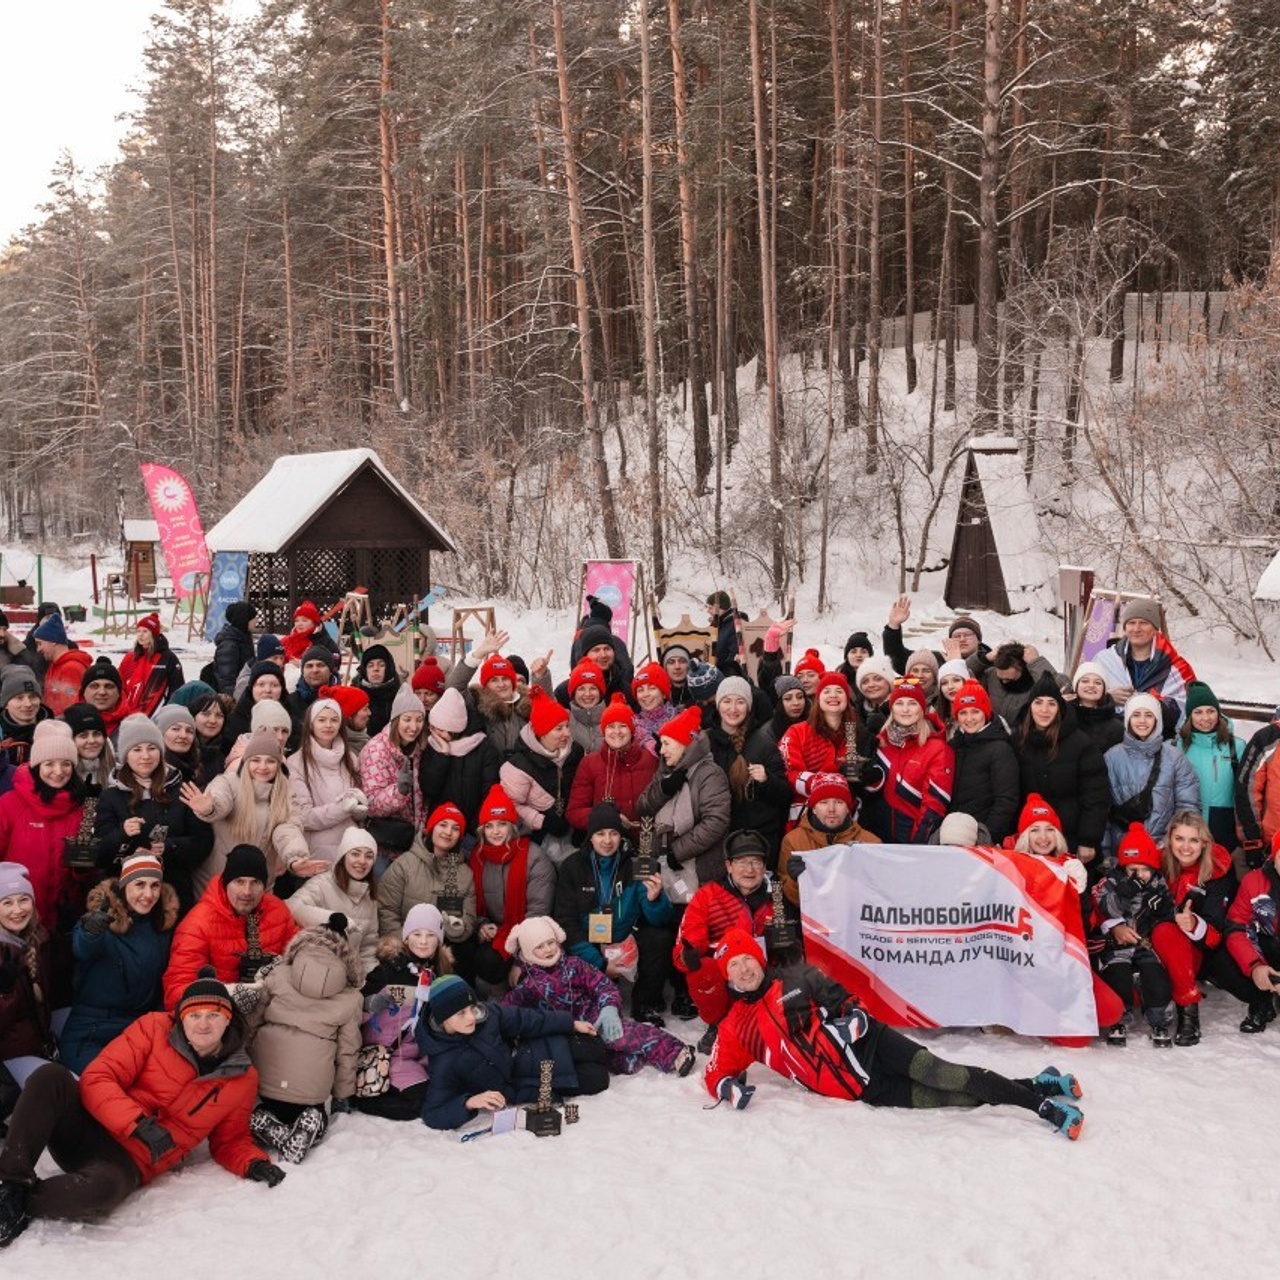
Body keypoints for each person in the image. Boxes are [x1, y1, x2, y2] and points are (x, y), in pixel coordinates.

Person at [703, 929, 1084, 1140]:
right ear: (728, 977)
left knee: (948, 1074)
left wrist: (853, 1023)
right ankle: (1037, 1082)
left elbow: (849, 1003)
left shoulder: (797, 978)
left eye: (746, 958)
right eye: (732, 965)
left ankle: (1045, 1108)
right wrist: (726, 1088)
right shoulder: (735, 1026)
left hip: (873, 1047)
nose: (742, 969)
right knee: (954, 1098)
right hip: (861, 1088)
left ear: (759, 956)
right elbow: (717, 1070)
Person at [0, 965, 283, 1247]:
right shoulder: (153, 1028)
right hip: (86, 1125)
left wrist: (253, 1163)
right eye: (194, 1015)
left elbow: (230, 1140)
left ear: (228, 1019)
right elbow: (99, 1076)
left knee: (103, 1192)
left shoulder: (242, 1077)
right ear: (182, 1017)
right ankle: (11, 1182)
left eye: (213, 1015)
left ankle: (17, 1202)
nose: (203, 1024)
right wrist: (137, 1123)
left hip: (123, 1163)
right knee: (50, 1076)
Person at [505, 916, 693, 1078]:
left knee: (627, 1035)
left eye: (550, 942)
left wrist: (608, 1008)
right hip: (567, 1033)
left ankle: (675, 1052)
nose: (548, 949)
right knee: (617, 1061)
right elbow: (507, 1012)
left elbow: (602, 985)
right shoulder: (528, 984)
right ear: (528, 952)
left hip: (596, 1020)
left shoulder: (574, 965)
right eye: (540, 946)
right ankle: (634, 1057)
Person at [246, 914, 363, 1164]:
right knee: (314, 1112)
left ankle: (267, 1124)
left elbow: (252, 1023)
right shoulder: (351, 998)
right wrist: (342, 1095)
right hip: (312, 1088)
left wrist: (244, 1063)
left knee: (261, 1110)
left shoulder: (277, 974)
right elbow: (347, 1051)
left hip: (265, 1078)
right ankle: (313, 1122)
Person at [415, 973, 596, 1130]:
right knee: (597, 1078)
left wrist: (570, 1023)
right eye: (461, 1013)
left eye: (472, 1008)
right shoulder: (443, 1060)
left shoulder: (488, 1015)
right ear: (442, 1018)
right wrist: (468, 1103)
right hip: (527, 1086)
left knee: (594, 1047)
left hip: (531, 1053)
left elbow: (526, 1019)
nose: (471, 1017)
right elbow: (432, 1113)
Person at [553, 802, 676, 1025]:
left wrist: (655, 899)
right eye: (600, 834)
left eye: (613, 833)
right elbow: (566, 923)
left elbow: (659, 919)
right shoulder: (573, 867)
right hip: (589, 941)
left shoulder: (636, 865)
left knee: (660, 936)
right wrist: (600, 964)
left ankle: (645, 1002)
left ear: (621, 837)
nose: (607, 841)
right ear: (590, 837)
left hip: (625, 937)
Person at [58, 853, 178, 1075]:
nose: (148, 894)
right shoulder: (104, 918)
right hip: (91, 1030)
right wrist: (91, 928)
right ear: (124, 886)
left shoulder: (161, 929)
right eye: (139, 885)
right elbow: (83, 947)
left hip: (137, 1031)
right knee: (106, 1081)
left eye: (155, 886)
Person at [90, 714, 212, 916]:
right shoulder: (110, 796)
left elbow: (203, 842)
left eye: (152, 748)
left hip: (173, 893)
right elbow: (99, 854)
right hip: (126, 897)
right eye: (137, 749)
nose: (145, 756)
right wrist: (122, 833)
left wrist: (170, 846)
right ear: (126, 755)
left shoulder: (180, 789)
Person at [673, 831, 779, 1047]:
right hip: (726, 977)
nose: (749, 870)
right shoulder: (708, 894)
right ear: (728, 866)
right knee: (702, 970)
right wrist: (689, 954)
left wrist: (790, 950)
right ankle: (718, 1023)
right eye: (741, 862)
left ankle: (774, 1019)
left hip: (765, 973)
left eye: (756, 862)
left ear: (764, 866)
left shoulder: (777, 895)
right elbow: (690, 936)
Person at [179, 729, 314, 896]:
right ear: (246, 761)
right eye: (256, 760)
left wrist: (296, 858)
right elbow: (221, 803)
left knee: (252, 923)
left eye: (270, 761)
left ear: (279, 765)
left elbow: (288, 829)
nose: (262, 767)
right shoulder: (227, 782)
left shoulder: (286, 793)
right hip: (217, 882)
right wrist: (209, 808)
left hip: (258, 885)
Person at [162, 844, 300, 1008]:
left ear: (264, 885)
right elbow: (176, 991)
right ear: (226, 883)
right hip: (220, 1012)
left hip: (273, 1004)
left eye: (255, 882)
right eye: (239, 881)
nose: (247, 891)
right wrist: (228, 994)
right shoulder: (197, 924)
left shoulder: (277, 909)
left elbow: (299, 956)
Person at [1090, 823, 1181, 1047]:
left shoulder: (1158, 884)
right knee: (1117, 976)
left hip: (1145, 944)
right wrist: (1124, 892)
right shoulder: (1113, 881)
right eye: (1133, 870)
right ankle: (1119, 1019)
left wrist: (1160, 910)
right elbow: (1104, 907)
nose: (1139, 876)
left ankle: (1159, 1020)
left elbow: (1171, 915)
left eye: (1145, 870)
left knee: (1156, 979)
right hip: (1117, 946)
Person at [357, 903, 448, 1121]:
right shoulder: (387, 971)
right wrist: (371, 1004)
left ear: (440, 940)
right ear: (406, 938)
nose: (423, 941)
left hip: (418, 1055)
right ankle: (360, 1098)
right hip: (386, 1055)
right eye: (417, 934)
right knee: (417, 1102)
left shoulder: (439, 974)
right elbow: (356, 1008)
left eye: (430, 935)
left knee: (439, 1092)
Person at [1156, 810, 1239, 1046]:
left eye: (1194, 840)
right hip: (1154, 950)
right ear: (1169, 839)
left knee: (1166, 930)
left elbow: (1214, 936)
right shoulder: (1157, 865)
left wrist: (1193, 924)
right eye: (1179, 839)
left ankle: (1188, 1013)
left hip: (1194, 952)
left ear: (1204, 844)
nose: (1186, 847)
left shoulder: (1216, 872)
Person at [1015, 672, 1109, 868]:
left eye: (1051, 703)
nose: (1044, 710)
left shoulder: (1080, 743)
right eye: (1038, 702)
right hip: (1030, 841)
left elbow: (1096, 794)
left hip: (1072, 839)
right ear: (1030, 706)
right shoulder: (1018, 741)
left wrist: (1088, 839)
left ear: (1059, 708)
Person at [467, 784, 556, 987]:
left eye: (502, 824)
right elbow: (470, 901)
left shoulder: (533, 856)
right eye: (489, 826)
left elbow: (538, 912)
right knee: (478, 957)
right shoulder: (478, 858)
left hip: (528, 932)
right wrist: (481, 925)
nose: (496, 832)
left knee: (518, 971)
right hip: (497, 932)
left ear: (512, 825)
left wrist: (521, 958)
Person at [0, 721, 86, 927]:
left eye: (66, 763)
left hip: (63, 920)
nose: (58, 771)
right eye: (49, 764)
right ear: (37, 766)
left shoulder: (81, 809)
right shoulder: (9, 805)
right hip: (18, 920)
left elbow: (83, 875)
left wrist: (83, 868)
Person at [637, 705, 733, 889]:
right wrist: (664, 789)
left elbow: (716, 821)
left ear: (684, 743)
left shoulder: (710, 774)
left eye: (666, 743)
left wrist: (677, 851)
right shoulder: (664, 772)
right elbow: (642, 808)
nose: (661, 751)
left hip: (701, 873)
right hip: (664, 872)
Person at [777, 672, 880, 831]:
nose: (833, 695)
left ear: (847, 699)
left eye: (839, 691)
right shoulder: (797, 732)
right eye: (827, 691)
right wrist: (827, 782)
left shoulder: (857, 734)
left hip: (848, 822)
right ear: (818, 699)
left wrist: (872, 776)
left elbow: (870, 778)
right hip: (806, 822)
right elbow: (788, 773)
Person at [705, 677, 791, 864]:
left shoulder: (764, 743)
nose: (733, 709)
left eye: (740, 702)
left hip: (757, 840)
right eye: (727, 701)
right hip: (715, 839)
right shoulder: (704, 742)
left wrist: (767, 781)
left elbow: (785, 795)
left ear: (749, 707)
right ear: (718, 705)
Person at [1103, 693, 1200, 857]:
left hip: (1162, 851)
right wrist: (1105, 852)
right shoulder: (1111, 757)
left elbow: (1187, 806)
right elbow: (1102, 809)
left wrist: (1174, 845)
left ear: (1157, 720)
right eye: (1136, 715)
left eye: (1149, 715)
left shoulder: (1174, 757)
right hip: (1122, 850)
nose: (1142, 721)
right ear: (1127, 719)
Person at [378, 803, 476, 957]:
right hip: (404, 952)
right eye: (443, 825)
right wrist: (407, 946)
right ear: (431, 828)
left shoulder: (465, 874)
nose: (448, 832)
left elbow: (468, 920)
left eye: (455, 828)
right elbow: (386, 910)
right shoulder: (404, 865)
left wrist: (456, 929)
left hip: (444, 953)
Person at [499, 687, 583, 862]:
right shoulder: (518, 766)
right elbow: (511, 804)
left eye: (567, 726)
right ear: (541, 733)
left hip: (572, 829)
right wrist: (541, 821)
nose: (567, 733)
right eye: (559, 729)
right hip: (538, 834)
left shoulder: (575, 752)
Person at [1092, 598, 1195, 736]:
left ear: (1155, 629)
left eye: (1144, 623)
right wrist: (1106, 697)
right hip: (1110, 741)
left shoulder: (1176, 668)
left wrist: (1150, 704)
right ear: (1125, 628)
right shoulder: (1104, 659)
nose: (1136, 629)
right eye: (1131, 623)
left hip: (1158, 744)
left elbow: (1190, 710)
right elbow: (1083, 699)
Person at [287, 828, 380, 978]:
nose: (362, 861)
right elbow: (291, 906)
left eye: (369, 856)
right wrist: (332, 919)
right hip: (315, 971)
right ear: (343, 856)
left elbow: (367, 947)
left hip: (350, 977)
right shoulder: (322, 884)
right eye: (355, 854)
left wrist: (370, 975)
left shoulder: (370, 897)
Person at [778, 772, 879, 907]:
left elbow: (880, 893)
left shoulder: (871, 842)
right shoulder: (793, 841)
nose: (831, 809)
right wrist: (795, 881)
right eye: (824, 802)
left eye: (839, 802)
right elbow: (788, 899)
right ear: (813, 808)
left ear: (848, 808)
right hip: (812, 923)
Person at [872, 679, 954, 845]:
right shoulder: (879, 743)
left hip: (911, 839)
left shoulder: (937, 748)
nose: (905, 709)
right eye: (899, 703)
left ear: (921, 709)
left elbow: (934, 805)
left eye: (912, 703)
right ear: (892, 708)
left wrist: (917, 843)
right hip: (875, 839)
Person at [287, 698, 366, 866]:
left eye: (334, 719)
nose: (328, 725)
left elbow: (359, 813)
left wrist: (360, 806)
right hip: (317, 854)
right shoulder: (296, 763)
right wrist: (343, 808)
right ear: (310, 724)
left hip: (351, 849)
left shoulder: (350, 759)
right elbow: (304, 817)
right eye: (322, 720)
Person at [445, 630, 548, 757]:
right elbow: (453, 688)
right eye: (494, 680)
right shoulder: (476, 704)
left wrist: (540, 677)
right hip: (487, 775)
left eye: (505, 678)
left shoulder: (527, 706)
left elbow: (549, 710)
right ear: (486, 686)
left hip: (522, 774)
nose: (501, 684)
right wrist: (478, 654)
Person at [0, 866, 55, 1095]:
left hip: (38, 1041)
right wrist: (6, 992)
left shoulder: (38, 937)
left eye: (24, 900)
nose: (17, 910)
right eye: (7, 902)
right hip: (11, 1053)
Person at [566, 694, 659, 830]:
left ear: (631, 730)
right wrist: (606, 818)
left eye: (622, 726)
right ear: (604, 731)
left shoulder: (651, 759)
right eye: (610, 727)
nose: (617, 732)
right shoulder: (589, 763)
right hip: (609, 843)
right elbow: (574, 812)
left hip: (648, 841)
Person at [359, 684, 428, 867]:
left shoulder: (421, 749)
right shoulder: (376, 750)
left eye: (419, 720)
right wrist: (398, 791)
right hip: (385, 845)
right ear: (396, 720)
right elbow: (370, 804)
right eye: (407, 719)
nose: (414, 727)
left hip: (414, 844)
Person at [417, 687, 502, 833]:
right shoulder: (431, 746)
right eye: (438, 729)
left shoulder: (483, 748)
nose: (444, 736)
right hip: (441, 827)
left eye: (449, 731)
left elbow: (489, 792)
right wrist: (442, 755)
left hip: (471, 829)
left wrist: (475, 827)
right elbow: (429, 789)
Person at [1222, 830, 1280, 1033]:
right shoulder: (1253, 881)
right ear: (1275, 855)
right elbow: (1236, 927)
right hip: (1266, 952)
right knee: (1227, 961)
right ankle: (1261, 1000)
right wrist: (1255, 966)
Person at [948, 679, 1020, 844]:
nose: (969, 718)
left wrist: (987, 836)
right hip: (953, 835)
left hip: (984, 839)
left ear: (985, 713)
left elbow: (1006, 800)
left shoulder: (1000, 748)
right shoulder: (953, 746)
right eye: (963, 713)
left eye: (975, 712)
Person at [1177, 681, 1243, 850]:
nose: (1205, 718)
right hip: (1187, 824)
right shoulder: (1177, 747)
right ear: (1189, 716)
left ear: (1218, 713)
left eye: (1211, 711)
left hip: (1223, 823)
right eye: (1198, 712)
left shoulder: (1236, 746)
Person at [118, 614, 184, 717]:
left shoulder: (167, 658)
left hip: (157, 715)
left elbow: (177, 688)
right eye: (138, 631)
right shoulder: (131, 657)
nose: (140, 635)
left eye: (145, 631)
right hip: (130, 715)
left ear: (154, 634)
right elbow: (120, 684)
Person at [31, 613, 90, 718]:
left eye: (40, 643)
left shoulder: (71, 668)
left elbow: (72, 707)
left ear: (53, 641)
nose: (38, 649)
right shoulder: (55, 665)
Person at [0, 666, 51, 767]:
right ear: (6, 704)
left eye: (33, 697)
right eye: (19, 698)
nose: (28, 704)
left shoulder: (55, 729)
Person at [225, 660, 288, 742]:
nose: (267, 690)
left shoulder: (293, 718)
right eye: (261, 684)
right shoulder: (234, 722)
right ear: (252, 688)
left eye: (274, 685)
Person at [1070, 661, 1124, 754]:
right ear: (1076, 686)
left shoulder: (1117, 728)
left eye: (1098, 683)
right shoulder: (1064, 718)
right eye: (1085, 681)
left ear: (1104, 689)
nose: (1091, 686)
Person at [62, 703, 114, 795]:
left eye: (96, 734)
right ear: (71, 741)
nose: (91, 740)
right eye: (83, 735)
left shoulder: (118, 775)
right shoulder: (59, 776)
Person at [353, 643, 401, 737]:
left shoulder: (400, 694)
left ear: (388, 668)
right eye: (370, 665)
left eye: (381, 665)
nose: (376, 669)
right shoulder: (355, 695)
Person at [77, 658, 131, 741]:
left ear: (119, 693)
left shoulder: (134, 726)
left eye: (109, 686)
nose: (102, 692)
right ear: (83, 692)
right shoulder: (65, 725)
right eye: (94, 686)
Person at [212, 601, 259, 696]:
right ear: (244, 620)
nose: (256, 621)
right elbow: (226, 679)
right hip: (235, 696)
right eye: (253, 618)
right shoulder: (229, 644)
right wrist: (235, 701)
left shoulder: (243, 637)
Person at [631, 661, 676, 749]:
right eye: (640, 690)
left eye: (652, 688)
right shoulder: (632, 727)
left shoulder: (680, 720)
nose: (645, 694)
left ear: (663, 694)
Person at [280, 600, 337, 666]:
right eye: (296, 621)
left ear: (314, 623)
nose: (299, 624)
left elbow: (335, 661)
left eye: (304, 620)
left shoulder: (323, 641)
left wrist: (302, 663)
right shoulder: (287, 640)